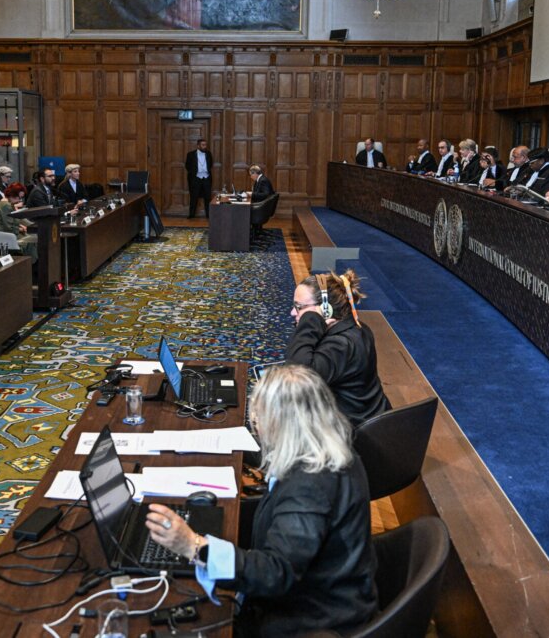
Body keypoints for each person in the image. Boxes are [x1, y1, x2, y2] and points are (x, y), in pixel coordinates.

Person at [144, 364, 379, 637]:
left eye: (258, 417)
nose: (255, 424)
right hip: (332, 590)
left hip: (313, 618)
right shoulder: (335, 449)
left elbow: (276, 573)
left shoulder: (309, 488)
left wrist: (195, 546)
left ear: (281, 425)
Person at [285, 270, 389, 425]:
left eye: (299, 307)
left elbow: (295, 377)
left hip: (352, 435)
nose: (293, 312)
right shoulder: (356, 327)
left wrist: (310, 321)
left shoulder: (340, 344)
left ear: (326, 310)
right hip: (367, 421)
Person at [0, 183, 38, 262]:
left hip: (8, 231)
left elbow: (11, 221)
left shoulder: (8, 203)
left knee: (32, 238)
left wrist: (21, 226)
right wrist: (21, 229)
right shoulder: (6, 205)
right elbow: (9, 227)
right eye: (19, 197)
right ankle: (32, 265)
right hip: (6, 234)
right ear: (12, 195)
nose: (20, 200)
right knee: (30, 241)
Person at [185, 139, 213, 218]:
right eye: (203, 145)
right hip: (195, 178)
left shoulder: (208, 153)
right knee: (194, 197)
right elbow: (187, 166)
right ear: (198, 146)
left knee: (207, 197)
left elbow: (211, 164)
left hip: (206, 178)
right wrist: (194, 173)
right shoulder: (190, 154)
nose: (205, 146)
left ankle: (208, 215)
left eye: (205, 145)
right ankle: (191, 215)